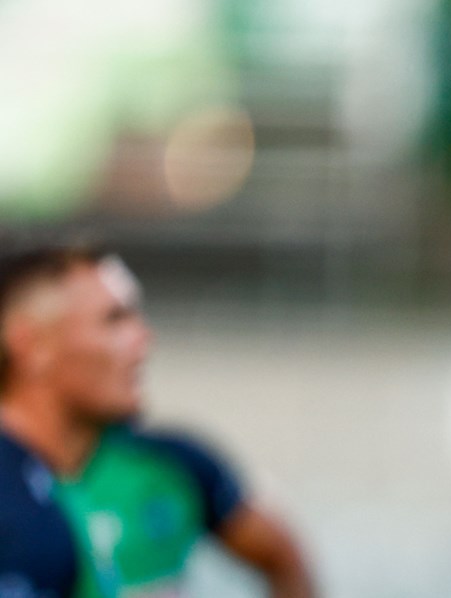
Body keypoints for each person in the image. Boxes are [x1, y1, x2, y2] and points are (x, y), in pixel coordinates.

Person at [0, 243, 316, 598]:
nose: (143, 338)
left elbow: (283, 557)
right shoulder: (14, 503)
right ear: (31, 345)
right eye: (114, 320)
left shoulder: (170, 466)